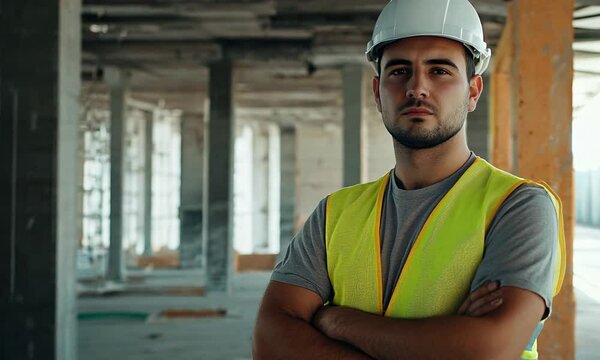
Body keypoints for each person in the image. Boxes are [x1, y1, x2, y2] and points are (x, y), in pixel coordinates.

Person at [253, 0, 566, 359]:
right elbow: (270, 340)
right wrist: (444, 340)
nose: (417, 88)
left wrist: (337, 321)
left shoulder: (518, 205)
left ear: (474, 91)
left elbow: (488, 349)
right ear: (377, 92)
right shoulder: (335, 214)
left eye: (440, 71)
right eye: (400, 71)